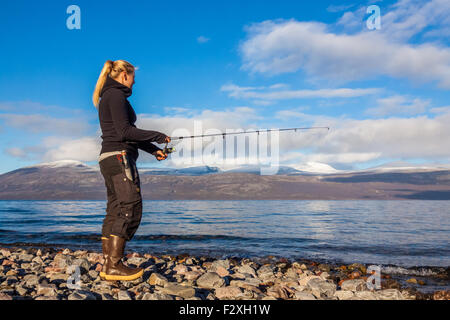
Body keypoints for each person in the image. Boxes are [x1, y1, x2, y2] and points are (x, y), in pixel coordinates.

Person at [92, 60, 170, 281]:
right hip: (119, 157)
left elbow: (128, 132)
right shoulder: (115, 95)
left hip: (109, 157)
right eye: (133, 75)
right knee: (130, 207)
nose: (135, 80)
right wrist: (157, 135)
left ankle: (109, 264)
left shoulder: (109, 94)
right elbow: (125, 132)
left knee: (115, 208)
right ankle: (114, 265)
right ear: (124, 74)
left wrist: (154, 150)